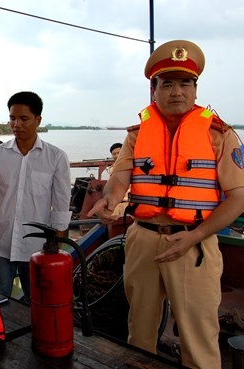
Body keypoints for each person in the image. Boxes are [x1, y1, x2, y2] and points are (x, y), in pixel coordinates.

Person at [87, 40, 244, 369]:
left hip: (194, 243)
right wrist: (110, 200)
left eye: (185, 83)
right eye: (167, 83)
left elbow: (239, 197)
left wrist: (195, 236)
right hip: (142, 239)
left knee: (198, 338)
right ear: (153, 89)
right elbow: (120, 179)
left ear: (195, 90)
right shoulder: (137, 134)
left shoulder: (220, 135)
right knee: (139, 332)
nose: (177, 91)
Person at [0, 91, 72, 301]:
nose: (16, 124)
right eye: (12, 118)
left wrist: (59, 243)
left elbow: (62, 203)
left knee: (37, 301)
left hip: (37, 248)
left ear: (38, 120)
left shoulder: (55, 158)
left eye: (23, 119)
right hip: (2, 243)